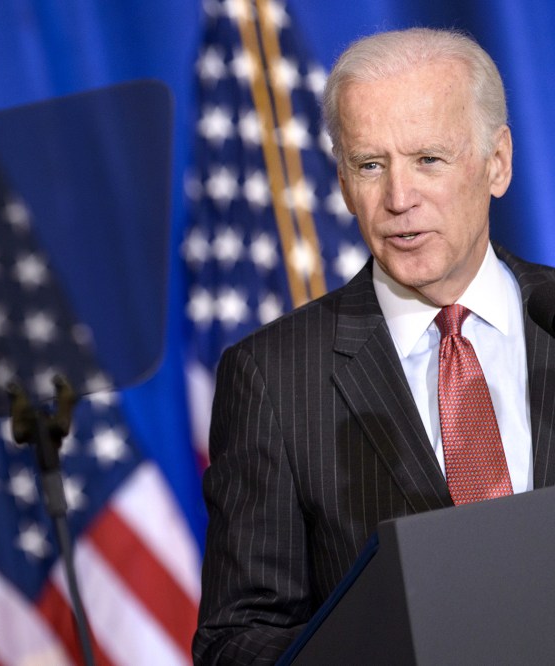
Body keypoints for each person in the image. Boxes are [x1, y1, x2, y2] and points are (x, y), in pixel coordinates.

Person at [193, 27, 555, 664]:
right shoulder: (273, 378)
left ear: (496, 163)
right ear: (341, 184)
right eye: (370, 165)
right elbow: (235, 639)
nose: (398, 199)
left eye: (428, 160)